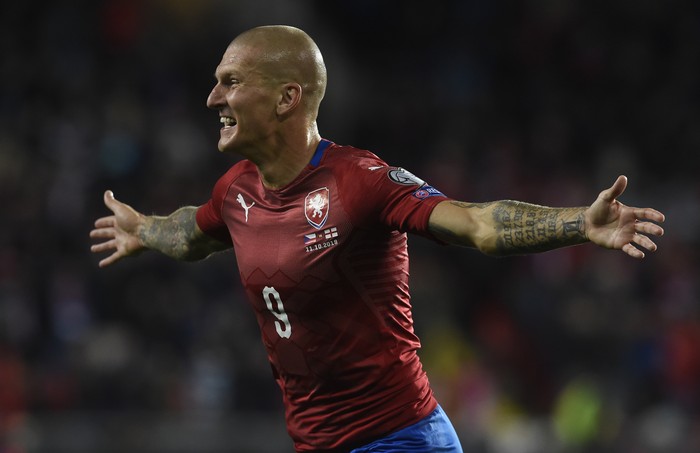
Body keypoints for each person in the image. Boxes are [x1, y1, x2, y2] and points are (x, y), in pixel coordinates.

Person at [89, 25, 665, 453]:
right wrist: (145, 229)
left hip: (399, 440)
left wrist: (578, 224)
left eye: (231, 83)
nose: (213, 99)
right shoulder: (236, 190)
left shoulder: (356, 180)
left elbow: (476, 224)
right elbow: (193, 233)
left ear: (287, 98)